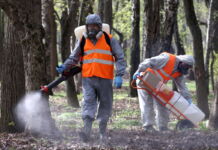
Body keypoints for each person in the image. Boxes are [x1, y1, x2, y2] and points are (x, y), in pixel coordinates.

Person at [56, 14, 126, 142]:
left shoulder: (110, 40)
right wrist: (64, 67)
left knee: (105, 104)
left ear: (100, 27)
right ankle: (86, 132)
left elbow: (120, 58)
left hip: (105, 79)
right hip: (88, 79)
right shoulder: (82, 40)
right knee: (88, 103)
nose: (91, 28)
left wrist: (119, 75)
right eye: (89, 26)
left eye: (94, 26)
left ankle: (102, 133)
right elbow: (74, 57)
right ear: (86, 27)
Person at [133, 52, 194, 132]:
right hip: (145, 78)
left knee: (163, 104)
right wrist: (139, 71)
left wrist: (188, 100)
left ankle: (163, 127)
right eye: (187, 66)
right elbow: (149, 61)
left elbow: (182, 87)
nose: (187, 69)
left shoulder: (179, 72)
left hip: (158, 84)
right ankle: (148, 127)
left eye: (189, 67)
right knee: (147, 103)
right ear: (182, 62)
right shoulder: (166, 59)